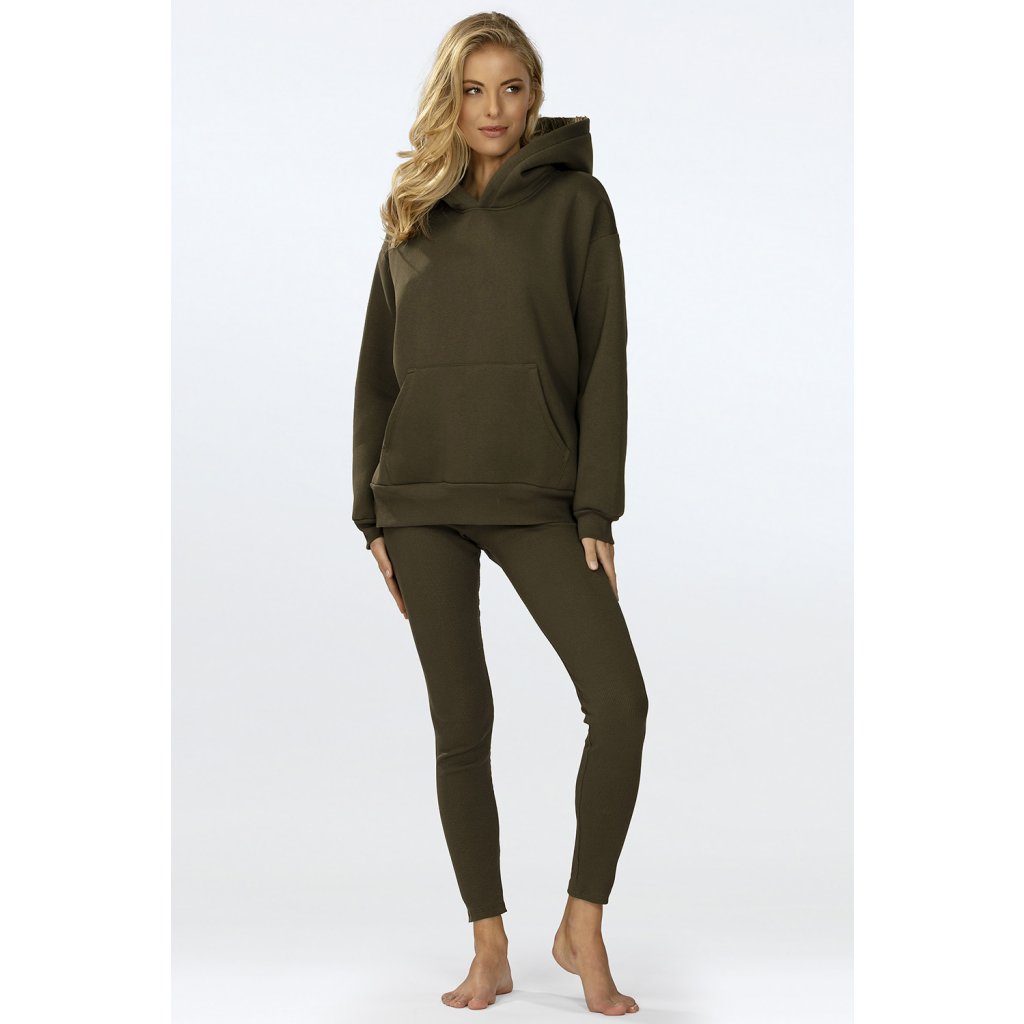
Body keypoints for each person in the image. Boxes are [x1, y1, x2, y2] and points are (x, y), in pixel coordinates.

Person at [351, 11, 648, 1016]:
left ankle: (581, 923)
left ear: (534, 96)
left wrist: (595, 505)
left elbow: (605, 358)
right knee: (460, 723)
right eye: (473, 89)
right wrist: (370, 514)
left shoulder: (576, 204)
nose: (492, 108)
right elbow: (375, 373)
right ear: (451, 98)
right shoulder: (412, 211)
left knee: (620, 703)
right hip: (420, 499)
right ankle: (489, 947)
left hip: (537, 492)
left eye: (510, 88)